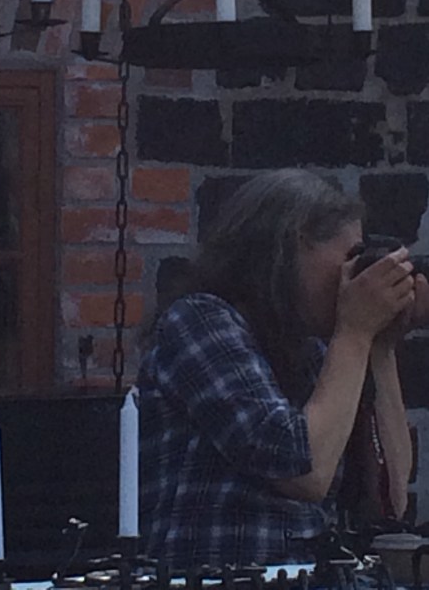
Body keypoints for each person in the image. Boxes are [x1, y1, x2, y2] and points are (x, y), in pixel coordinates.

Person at [138, 169, 427, 569]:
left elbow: (390, 502)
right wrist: (356, 331)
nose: (356, 278)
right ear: (289, 249)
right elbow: (303, 472)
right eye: (351, 257)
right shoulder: (199, 322)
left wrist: (381, 344)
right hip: (222, 576)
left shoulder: (315, 350)